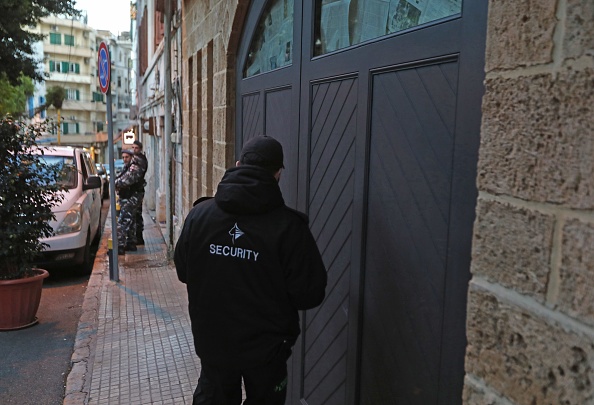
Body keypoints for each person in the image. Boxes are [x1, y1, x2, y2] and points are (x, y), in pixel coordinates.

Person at [174, 135, 327, 405]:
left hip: (214, 346)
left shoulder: (199, 217)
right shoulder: (289, 228)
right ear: (278, 173)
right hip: (267, 353)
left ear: (237, 164)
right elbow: (310, 294)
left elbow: (184, 271)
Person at [115, 148, 147, 254]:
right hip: (130, 195)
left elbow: (127, 180)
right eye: (123, 157)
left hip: (133, 196)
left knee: (123, 220)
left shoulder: (136, 165)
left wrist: (116, 183)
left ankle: (119, 246)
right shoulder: (128, 167)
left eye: (127, 157)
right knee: (131, 219)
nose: (125, 159)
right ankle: (131, 243)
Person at [131, 140, 148, 245]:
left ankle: (139, 237)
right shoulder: (136, 159)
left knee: (137, 214)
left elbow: (135, 176)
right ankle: (137, 237)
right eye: (132, 147)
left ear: (140, 149)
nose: (134, 150)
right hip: (135, 190)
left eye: (136, 148)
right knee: (135, 215)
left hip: (137, 191)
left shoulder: (140, 160)